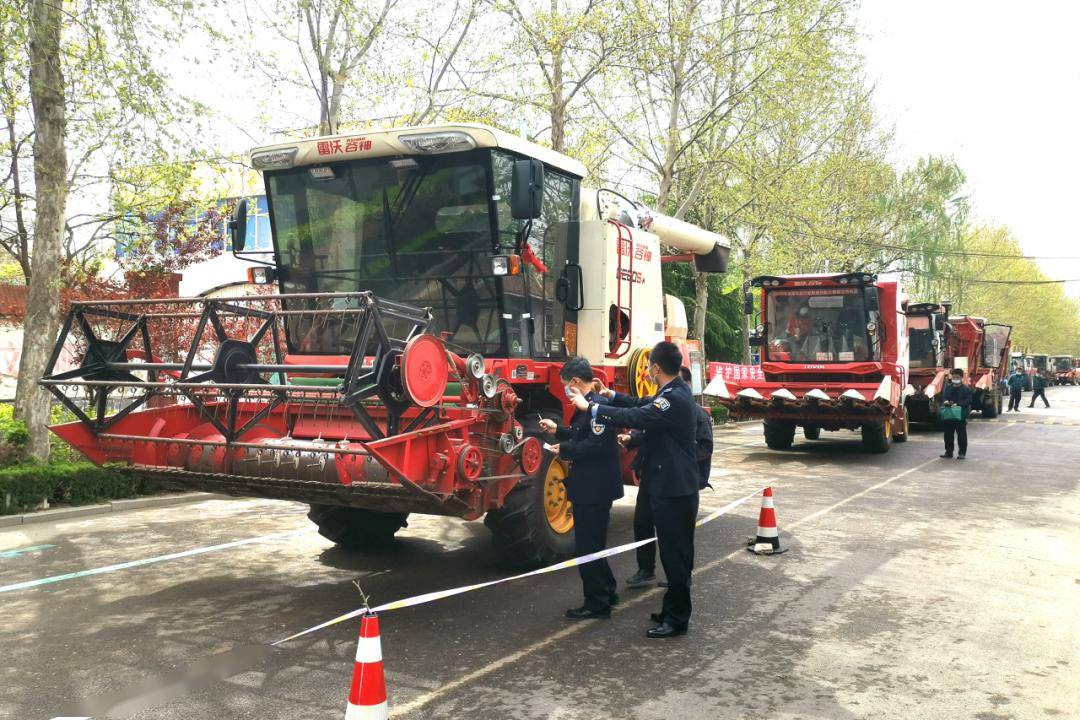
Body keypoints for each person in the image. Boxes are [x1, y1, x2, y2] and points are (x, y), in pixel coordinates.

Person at [571, 341, 699, 639]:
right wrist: (611, 396)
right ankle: (671, 610)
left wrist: (592, 407)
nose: (648, 372)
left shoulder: (674, 398)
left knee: (676, 558)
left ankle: (678, 618)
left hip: (675, 489)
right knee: (670, 554)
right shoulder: (670, 393)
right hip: (668, 486)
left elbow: (638, 417)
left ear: (655, 367)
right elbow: (640, 405)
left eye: (649, 368)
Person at [538, 357, 623, 620]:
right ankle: (607, 590)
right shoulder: (589, 407)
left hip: (593, 488)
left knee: (588, 547)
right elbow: (580, 433)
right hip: (593, 486)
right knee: (594, 543)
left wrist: (564, 450)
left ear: (575, 382)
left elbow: (595, 446)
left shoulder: (597, 406)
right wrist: (558, 431)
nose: (566, 390)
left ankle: (596, 604)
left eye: (566, 386)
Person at [617, 367, 713, 591]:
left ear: (685, 385)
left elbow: (705, 447)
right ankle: (645, 568)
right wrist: (631, 438)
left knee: (677, 533)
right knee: (642, 522)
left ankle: (680, 575)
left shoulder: (697, 414)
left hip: (678, 480)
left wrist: (679, 460)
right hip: (652, 476)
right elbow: (649, 432)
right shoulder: (661, 406)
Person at [940, 368, 972, 459]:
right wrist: (946, 402)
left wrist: (958, 404)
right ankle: (948, 452)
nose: (955, 379)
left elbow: (968, 401)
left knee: (961, 435)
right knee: (948, 435)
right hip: (949, 415)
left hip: (960, 416)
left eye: (957, 377)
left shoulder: (966, 390)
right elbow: (944, 397)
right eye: (953, 377)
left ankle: (962, 453)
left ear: (961, 378)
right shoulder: (948, 388)